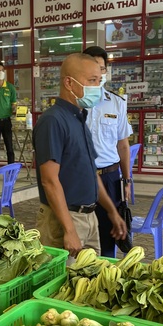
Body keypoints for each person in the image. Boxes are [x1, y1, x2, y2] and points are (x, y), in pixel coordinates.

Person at [33, 53, 127, 257]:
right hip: (65, 219)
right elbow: (49, 181)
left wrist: (111, 211)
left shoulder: (79, 117)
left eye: (99, 81)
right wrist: (69, 230)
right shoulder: (53, 121)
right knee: (63, 284)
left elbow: (92, 173)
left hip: (89, 217)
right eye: (92, 81)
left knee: (88, 282)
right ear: (69, 82)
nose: (97, 88)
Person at [82, 46, 133, 258]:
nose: (99, 74)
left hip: (109, 177)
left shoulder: (117, 103)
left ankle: (106, 276)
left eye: (102, 69)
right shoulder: (76, 102)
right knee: (80, 233)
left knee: (109, 234)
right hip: (82, 177)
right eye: (94, 68)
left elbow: (123, 145)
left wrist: (127, 180)